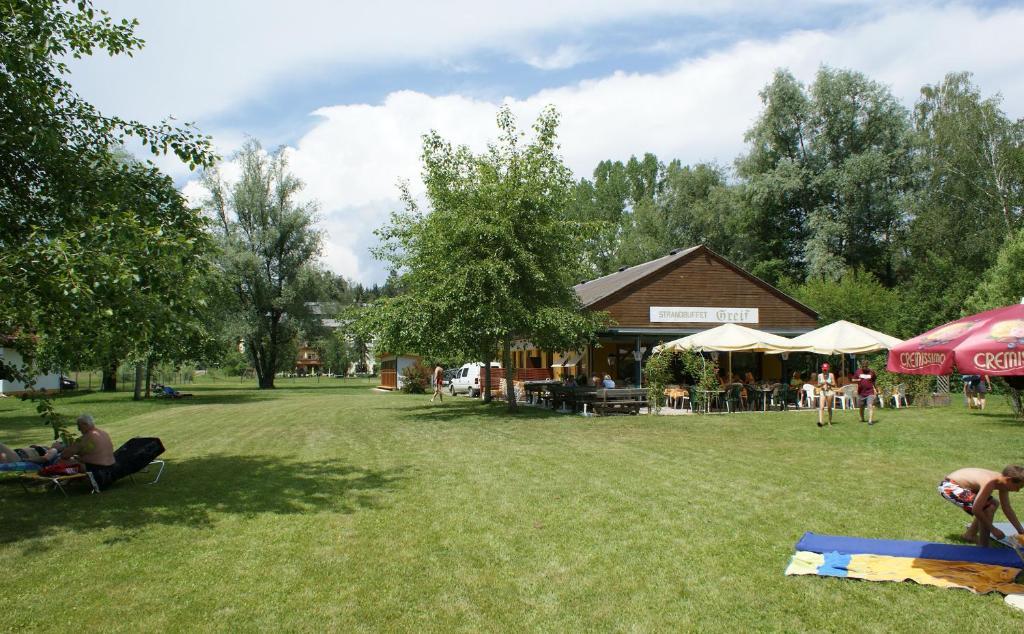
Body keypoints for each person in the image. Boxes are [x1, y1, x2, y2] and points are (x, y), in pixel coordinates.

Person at [939, 466, 1024, 547]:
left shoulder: (1003, 482)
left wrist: (1021, 531)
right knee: (988, 507)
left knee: (993, 504)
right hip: (949, 487)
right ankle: (984, 546)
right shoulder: (990, 481)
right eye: (1018, 487)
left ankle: (970, 535)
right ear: (1009, 480)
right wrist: (993, 530)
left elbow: (1007, 508)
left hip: (963, 487)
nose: (1017, 490)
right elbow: (976, 510)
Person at [855, 360, 878, 425]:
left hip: (870, 392)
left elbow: (874, 381)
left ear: (868, 366)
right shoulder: (858, 371)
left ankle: (870, 421)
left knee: (870, 405)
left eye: (866, 366)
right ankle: (862, 418)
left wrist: (876, 389)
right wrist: (858, 380)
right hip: (861, 392)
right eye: (863, 366)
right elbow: (853, 379)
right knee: (861, 407)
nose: (864, 367)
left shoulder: (872, 372)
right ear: (861, 366)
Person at [817, 362, 836, 427]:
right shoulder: (819, 375)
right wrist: (822, 384)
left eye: (826, 369)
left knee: (829, 408)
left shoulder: (831, 375)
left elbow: (834, 385)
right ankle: (820, 422)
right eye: (823, 369)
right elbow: (818, 385)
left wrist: (828, 383)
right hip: (822, 392)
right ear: (822, 369)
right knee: (821, 407)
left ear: (828, 369)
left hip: (829, 392)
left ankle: (829, 422)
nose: (825, 370)